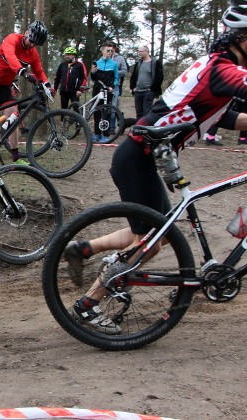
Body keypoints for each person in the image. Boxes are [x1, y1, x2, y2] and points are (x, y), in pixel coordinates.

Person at [64, 0, 247, 334]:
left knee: (154, 237)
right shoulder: (224, 70)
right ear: (243, 39)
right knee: (148, 242)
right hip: (139, 156)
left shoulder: (214, 67)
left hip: (140, 155)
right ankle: (88, 304)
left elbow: (224, 117)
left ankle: (84, 249)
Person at [0, 21, 53, 164]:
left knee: (14, 115)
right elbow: (10, 56)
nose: (32, 45)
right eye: (31, 40)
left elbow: (39, 71)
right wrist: (22, 71)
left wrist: (47, 85)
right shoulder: (12, 39)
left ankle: (16, 156)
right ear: (26, 33)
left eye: (35, 43)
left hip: (4, 85)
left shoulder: (33, 53)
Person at [90, 42, 119, 143]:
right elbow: (93, 78)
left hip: (108, 90)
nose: (110, 53)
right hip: (97, 90)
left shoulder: (114, 64)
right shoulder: (96, 63)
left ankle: (105, 134)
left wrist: (112, 86)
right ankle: (97, 133)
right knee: (97, 111)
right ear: (102, 51)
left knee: (106, 112)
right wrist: (92, 73)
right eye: (108, 51)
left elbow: (116, 78)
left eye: (111, 51)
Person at [129, 45, 164, 120]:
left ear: (147, 52)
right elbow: (133, 76)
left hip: (148, 92)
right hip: (138, 91)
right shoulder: (138, 63)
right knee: (139, 113)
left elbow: (159, 77)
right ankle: (139, 129)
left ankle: (145, 129)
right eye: (138, 51)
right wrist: (133, 88)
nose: (139, 53)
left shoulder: (155, 63)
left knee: (146, 113)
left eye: (141, 51)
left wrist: (152, 89)